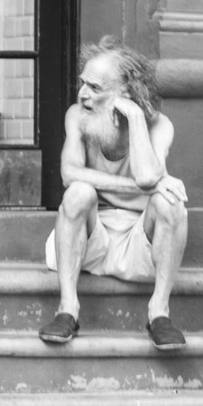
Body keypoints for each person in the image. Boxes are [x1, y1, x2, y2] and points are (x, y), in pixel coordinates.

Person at [39, 37, 189, 350]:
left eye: (95, 87)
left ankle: (159, 313)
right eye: (83, 83)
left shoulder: (159, 125)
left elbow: (149, 176)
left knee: (170, 202)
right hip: (90, 239)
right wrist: (141, 186)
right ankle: (68, 310)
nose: (83, 94)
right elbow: (69, 173)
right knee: (78, 193)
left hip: (139, 243)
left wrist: (134, 117)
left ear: (126, 92)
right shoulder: (77, 116)